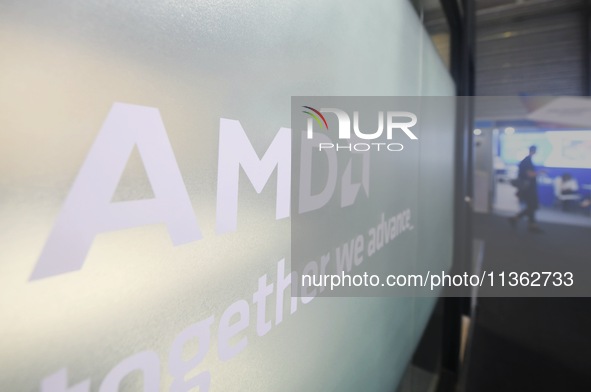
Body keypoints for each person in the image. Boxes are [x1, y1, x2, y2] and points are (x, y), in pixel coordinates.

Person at [508, 145, 543, 233]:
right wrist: (541, 172)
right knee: (533, 206)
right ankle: (518, 219)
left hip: (527, 187)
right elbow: (530, 174)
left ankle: (530, 224)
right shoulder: (527, 161)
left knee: (531, 206)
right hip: (528, 188)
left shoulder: (526, 160)